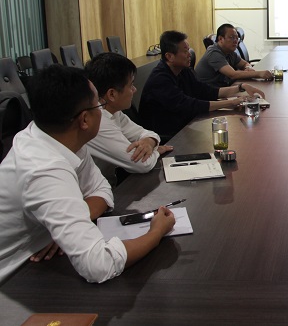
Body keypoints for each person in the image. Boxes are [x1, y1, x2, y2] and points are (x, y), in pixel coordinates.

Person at [0, 65, 176, 284]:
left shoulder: (61, 137)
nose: (103, 112)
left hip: (44, 258)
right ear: (84, 120)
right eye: (99, 106)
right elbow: (98, 265)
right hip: (14, 279)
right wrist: (156, 232)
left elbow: (101, 189)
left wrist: (67, 223)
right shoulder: (43, 170)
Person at [139, 30, 265, 140]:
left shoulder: (183, 70)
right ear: (169, 56)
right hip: (168, 136)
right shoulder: (160, 80)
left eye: (188, 50)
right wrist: (230, 103)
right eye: (185, 51)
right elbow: (189, 105)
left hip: (186, 126)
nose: (189, 54)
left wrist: (240, 87)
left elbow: (205, 91)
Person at [85, 52, 173, 184]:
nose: (135, 90)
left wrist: (149, 142)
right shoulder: (99, 122)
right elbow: (142, 164)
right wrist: (156, 151)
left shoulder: (113, 111)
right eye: (131, 85)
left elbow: (146, 133)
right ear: (112, 94)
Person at [195, 24, 273, 87]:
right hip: (208, 94)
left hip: (222, 87)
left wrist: (248, 68)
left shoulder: (229, 51)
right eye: (231, 37)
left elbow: (244, 63)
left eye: (237, 38)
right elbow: (233, 74)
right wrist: (259, 74)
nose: (235, 41)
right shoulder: (213, 52)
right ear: (221, 39)